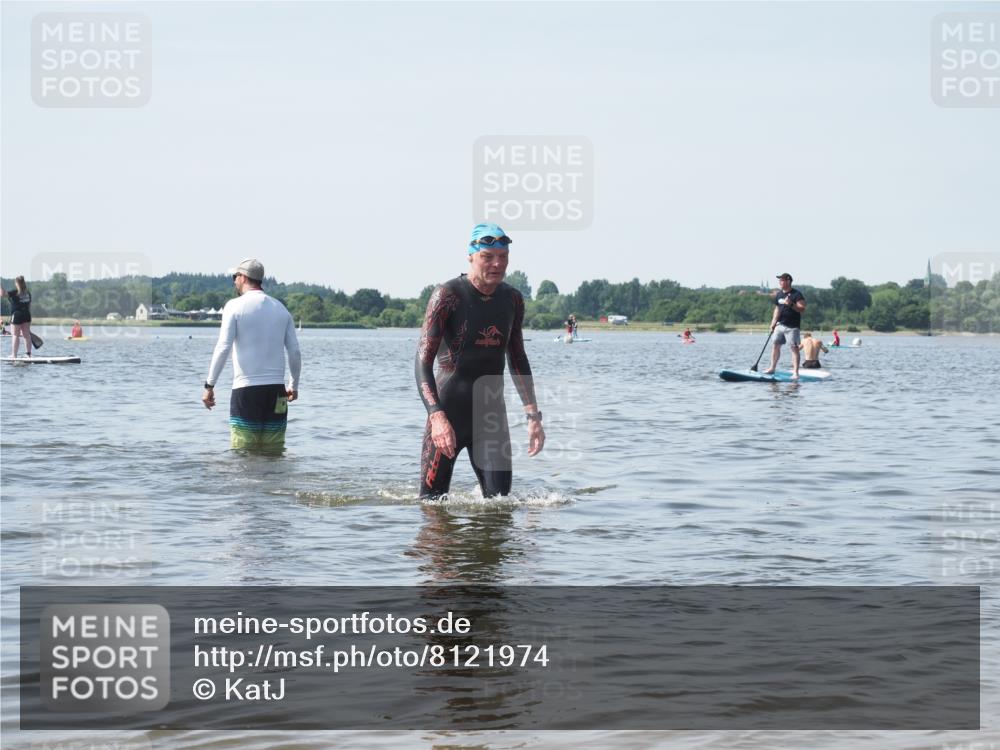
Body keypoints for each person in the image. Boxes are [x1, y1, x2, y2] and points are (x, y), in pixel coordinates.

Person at [416, 223, 545, 498]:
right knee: (432, 508)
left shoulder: (512, 299)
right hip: (448, 412)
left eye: (503, 257)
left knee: (500, 507)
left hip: (491, 419)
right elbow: (422, 363)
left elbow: (518, 357)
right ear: (471, 257)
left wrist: (533, 416)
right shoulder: (447, 296)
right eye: (488, 256)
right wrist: (436, 416)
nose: (497, 264)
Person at [203, 259, 301, 452]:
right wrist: (293, 386)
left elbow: (223, 347)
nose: (234, 282)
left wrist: (209, 386)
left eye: (235, 277)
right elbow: (295, 352)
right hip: (277, 392)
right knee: (274, 451)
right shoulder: (281, 309)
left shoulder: (234, 306)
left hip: (246, 390)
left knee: (243, 454)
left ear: (244, 277)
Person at [763, 272, 806, 379]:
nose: (780, 282)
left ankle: (796, 373)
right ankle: (772, 368)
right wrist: (773, 322)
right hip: (779, 325)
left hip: (792, 327)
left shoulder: (797, 294)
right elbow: (777, 309)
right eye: (780, 280)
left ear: (788, 281)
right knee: (775, 346)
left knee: (794, 348)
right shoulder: (779, 294)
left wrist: (791, 304)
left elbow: (802, 309)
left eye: (782, 280)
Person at [6, 276, 33, 358]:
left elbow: (2, 294)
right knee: (27, 335)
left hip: (17, 315)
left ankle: (14, 355)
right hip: (27, 315)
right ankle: (29, 354)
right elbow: (29, 305)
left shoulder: (14, 292)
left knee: (15, 335)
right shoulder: (28, 293)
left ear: (16, 283)